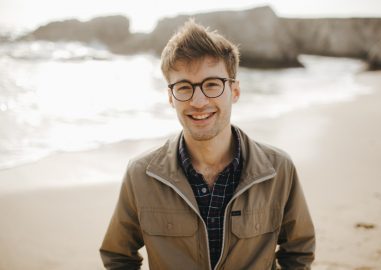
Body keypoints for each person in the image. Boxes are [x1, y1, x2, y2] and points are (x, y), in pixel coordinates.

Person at [100, 19, 315, 270]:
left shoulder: (278, 169)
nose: (199, 101)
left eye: (212, 84)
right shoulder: (141, 174)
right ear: (171, 97)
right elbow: (118, 257)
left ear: (235, 91)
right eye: (184, 87)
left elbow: (299, 252)